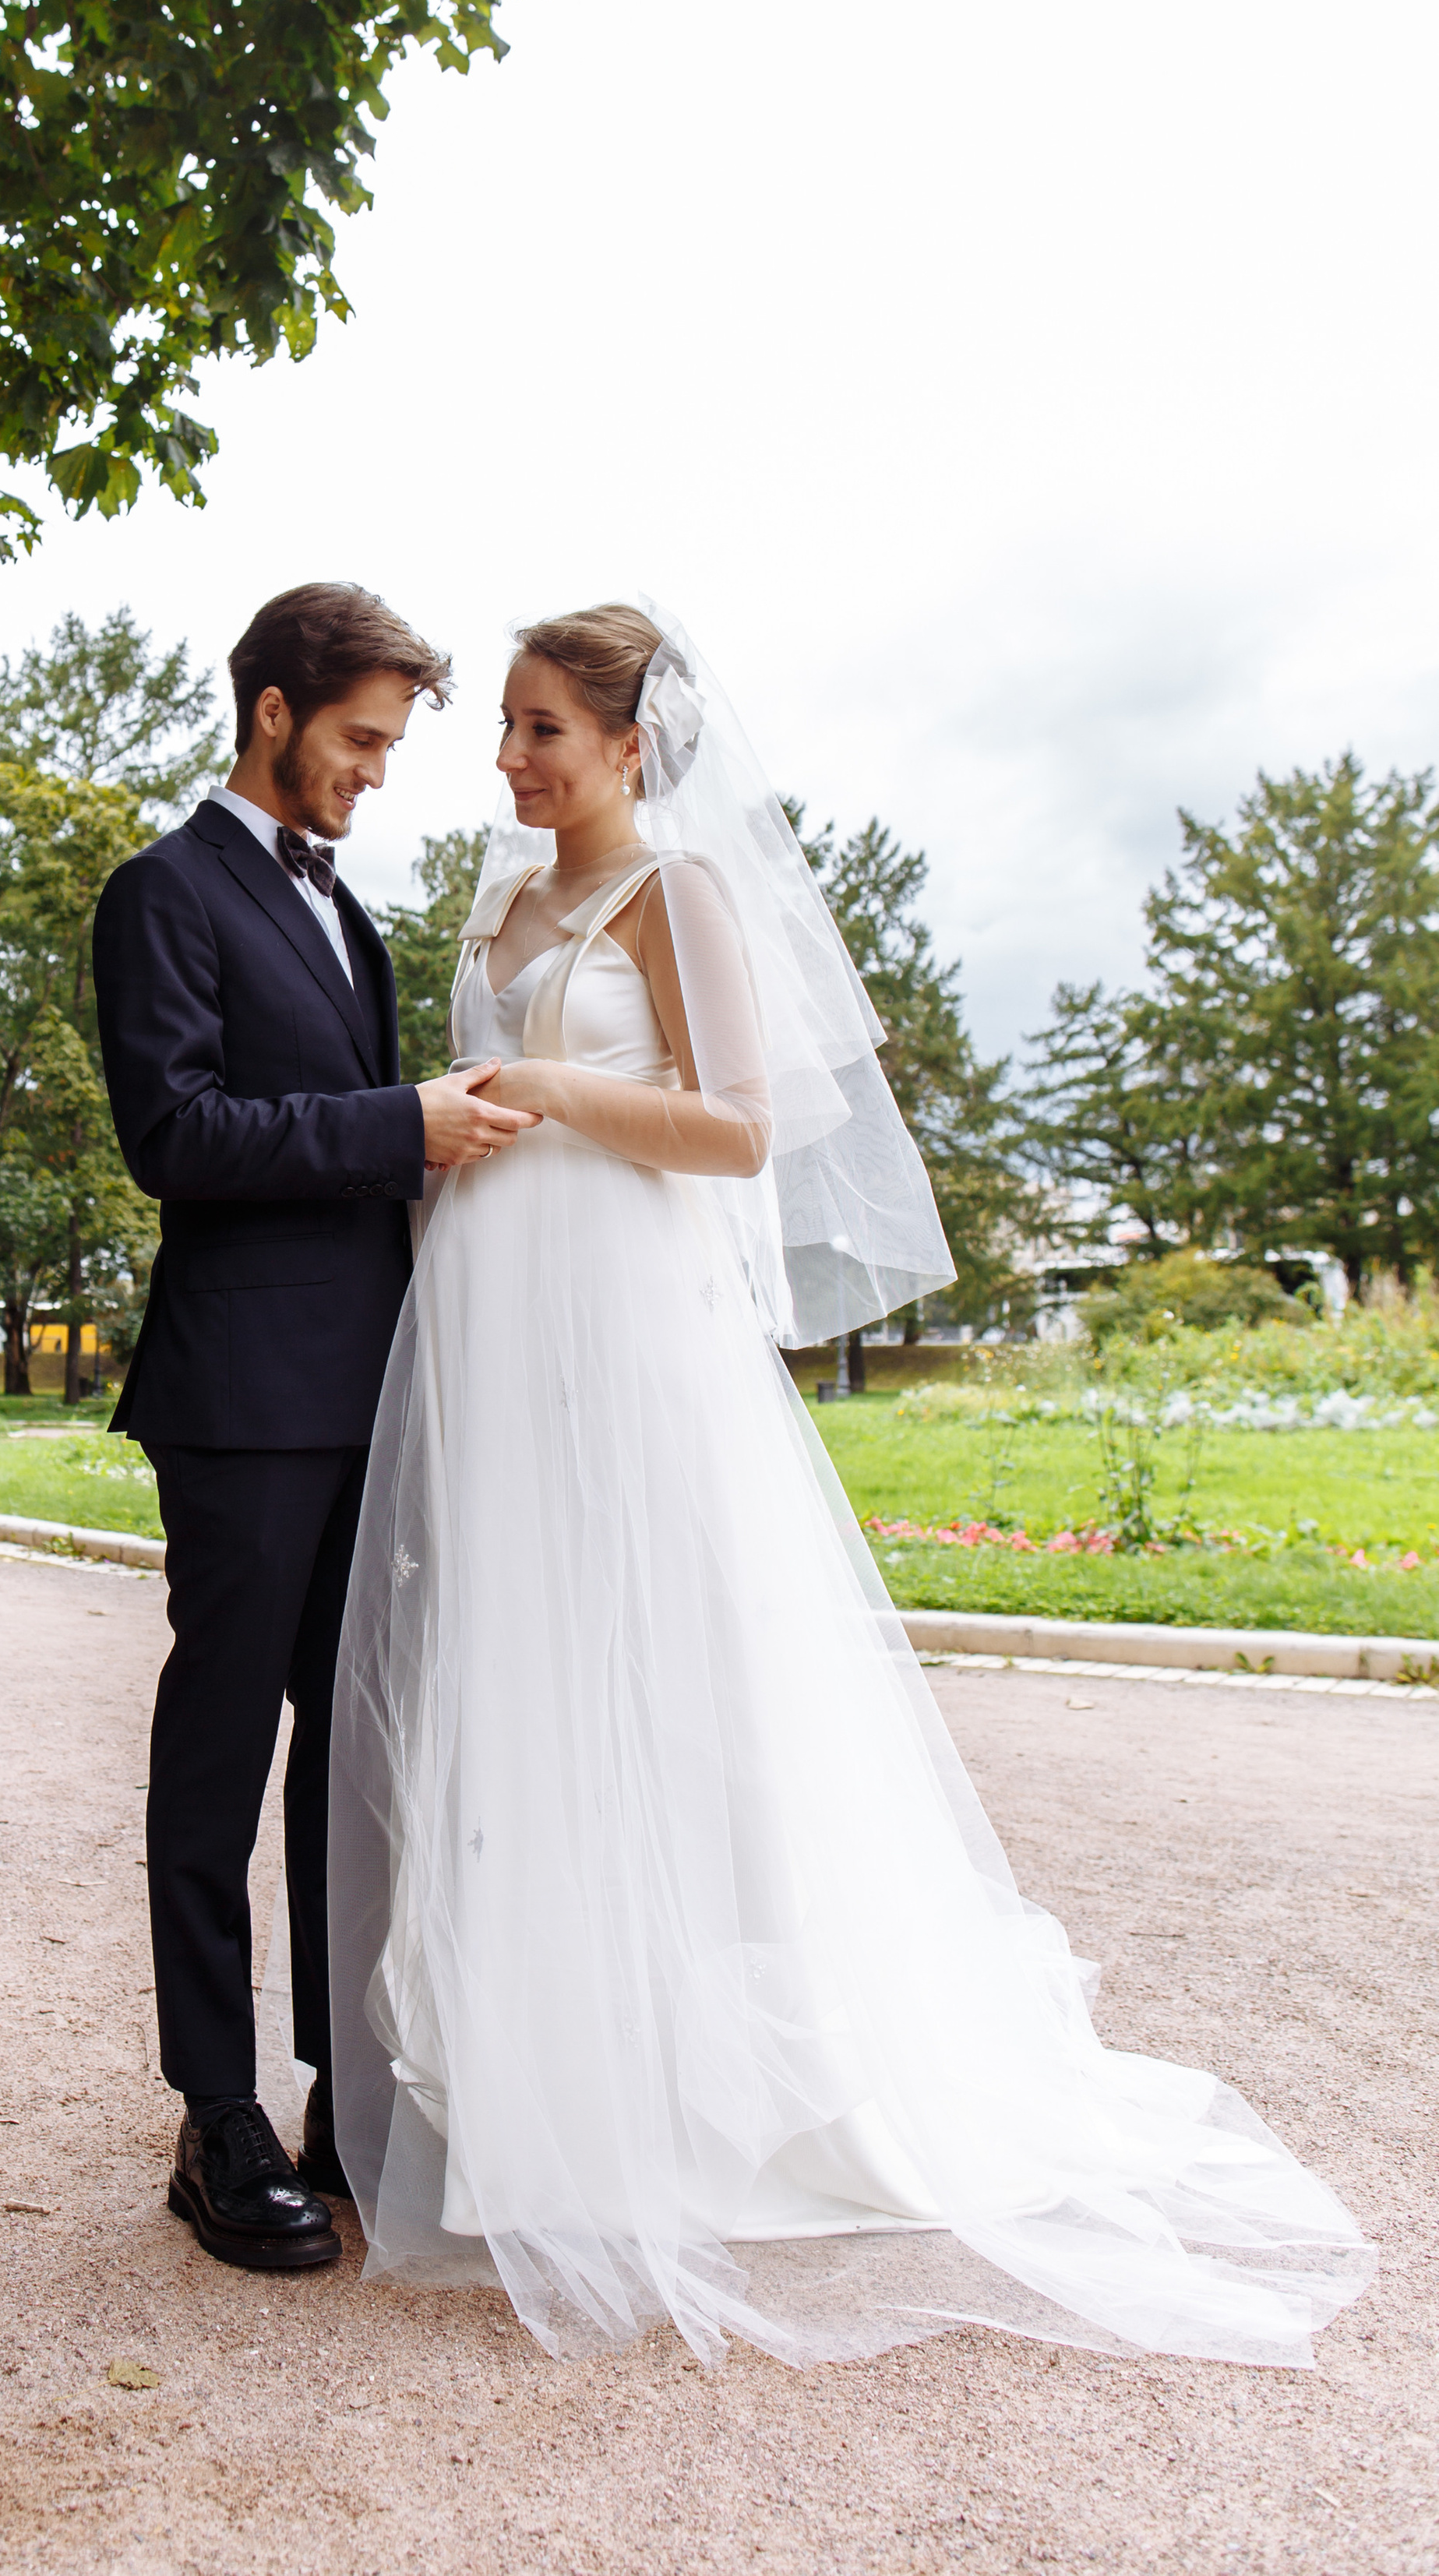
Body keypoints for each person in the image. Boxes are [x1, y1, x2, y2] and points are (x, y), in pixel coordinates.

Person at [327, 601, 1373, 2366]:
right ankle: (544, 2079)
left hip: (623, 1308)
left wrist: (554, 1088)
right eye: (502, 727)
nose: (505, 759)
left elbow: (739, 1123)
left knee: (669, 1663)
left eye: (539, 732)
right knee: (522, 1662)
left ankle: (710, 2084)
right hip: (491, 1309)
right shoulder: (498, 905)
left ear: (629, 746)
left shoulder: (679, 899)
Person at [93, 583, 538, 2274]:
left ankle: (341, 2097)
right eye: (357, 739)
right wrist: (398, 1122)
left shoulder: (346, 916)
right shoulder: (163, 892)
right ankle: (213, 2117)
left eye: (389, 745)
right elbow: (176, 1134)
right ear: (271, 711)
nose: (374, 772)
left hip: (377, 1394)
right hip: (238, 1398)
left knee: (362, 1761)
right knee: (220, 1756)